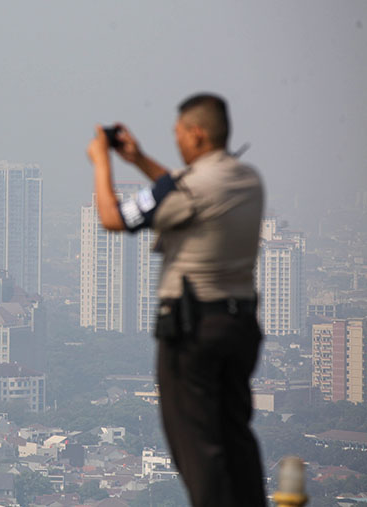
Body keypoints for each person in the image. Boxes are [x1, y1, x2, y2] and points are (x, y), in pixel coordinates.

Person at [85, 93, 266, 507]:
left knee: (195, 442)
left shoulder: (193, 188)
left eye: (179, 134)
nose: (177, 142)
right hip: (240, 326)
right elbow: (185, 189)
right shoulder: (247, 179)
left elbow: (114, 219)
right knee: (234, 432)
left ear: (197, 134)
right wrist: (139, 159)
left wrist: (101, 161)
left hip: (194, 328)